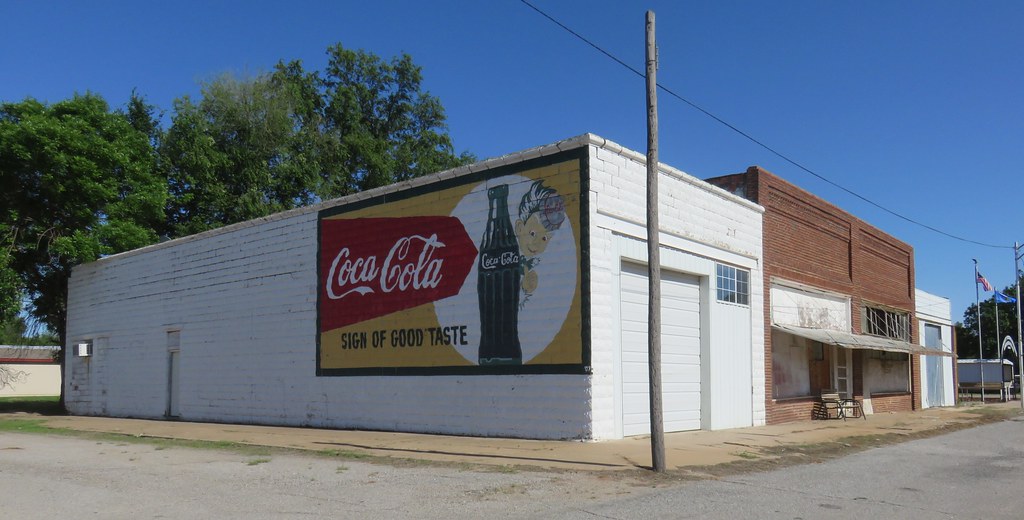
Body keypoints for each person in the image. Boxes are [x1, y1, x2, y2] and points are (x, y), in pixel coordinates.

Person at [514, 180, 565, 307]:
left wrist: (527, 293)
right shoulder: (508, 262)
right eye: (532, 233)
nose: (536, 243)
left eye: (544, 239)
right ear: (520, 228)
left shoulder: (544, 272)